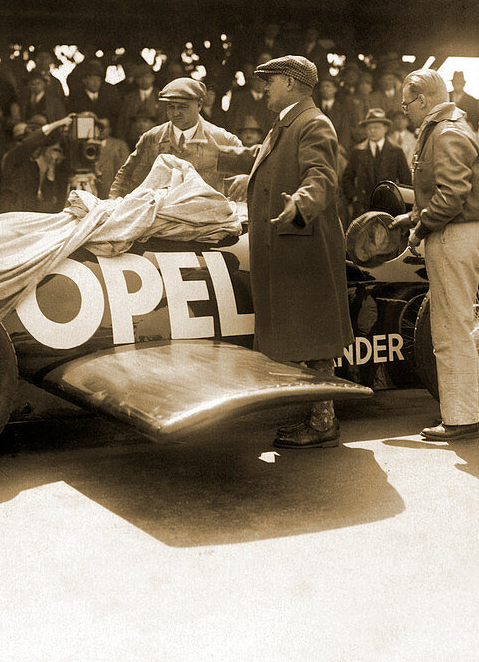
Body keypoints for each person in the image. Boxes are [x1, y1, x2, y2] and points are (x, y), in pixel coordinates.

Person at [219, 55, 354, 449]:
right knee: (303, 333)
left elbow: (322, 177)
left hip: (303, 247)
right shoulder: (287, 123)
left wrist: (301, 202)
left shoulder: (312, 122)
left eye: (271, 82)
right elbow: (278, 166)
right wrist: (249, 178)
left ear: (292, 84)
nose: (264, 90)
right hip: (291, 246)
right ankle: (317, 416)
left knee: (313, 337)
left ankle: (323, 421)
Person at [390, 69, 479, 440]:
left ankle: (459, 419)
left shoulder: (446, 131)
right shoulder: (450, 127)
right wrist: (411, 216)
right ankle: (476, 408)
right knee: (460, 325)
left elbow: (451, 195)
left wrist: (420, 228)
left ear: (423, 99)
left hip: (455, 234)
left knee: (449, 330)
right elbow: (445, 192)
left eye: (407, 103)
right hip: (461, 231)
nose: (404, 110)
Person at [109, 78, 241, 198]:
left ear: (199, 105)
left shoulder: (224, 141)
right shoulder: (152, 139)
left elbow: (241, 183)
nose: (176, 113)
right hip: (161, 217)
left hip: (205, 219)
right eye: (171, 107)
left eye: (183, 107)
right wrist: (113, 204)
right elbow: (127, 179)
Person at [340, 108, 411, 221]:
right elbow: (346, 179)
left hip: (389, 209)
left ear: (385, 128)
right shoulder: (358, 151)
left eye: (376, 127)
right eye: (369, 128)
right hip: (363, 209)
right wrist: (354, 197)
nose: (372, 131)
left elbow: (406, 181)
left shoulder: (396, 151)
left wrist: (399, 203)